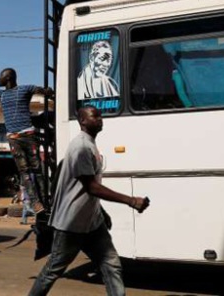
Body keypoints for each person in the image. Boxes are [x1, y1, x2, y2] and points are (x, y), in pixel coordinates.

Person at [29, 106, 150, 296]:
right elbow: (91, 187)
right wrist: (131, 200)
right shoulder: (81, 147)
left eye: (100, 115)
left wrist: (101, 212)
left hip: (92, 223)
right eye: (95, 116)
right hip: (71, 223)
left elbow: (86, 190)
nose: (100, 119)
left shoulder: (90, 144)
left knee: (111, 265)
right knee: (53, 271)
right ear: (82, 121)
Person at [0, 56, 53, 215]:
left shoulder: (25, 89)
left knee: (36, 170)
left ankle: (44, 201)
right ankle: (37, 203)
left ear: (8, 78)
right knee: (26, 172)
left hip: (28, 135)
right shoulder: (0, 95)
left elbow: (44, 91)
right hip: (14, 138)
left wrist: (49, 92)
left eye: (0, 76)